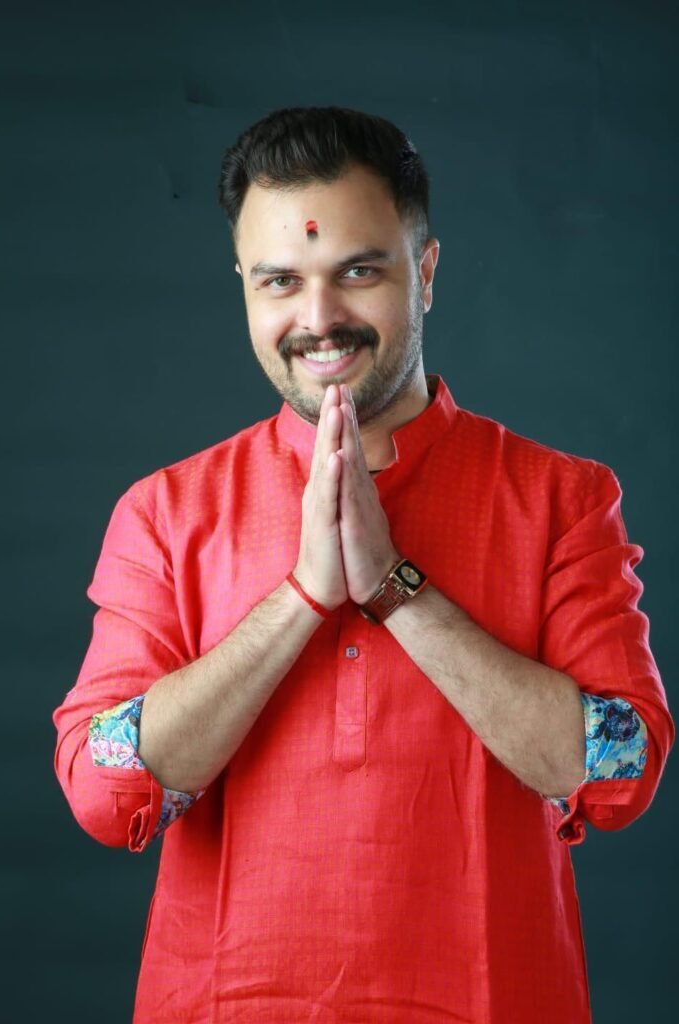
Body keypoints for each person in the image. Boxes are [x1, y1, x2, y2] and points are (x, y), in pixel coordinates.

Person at [53, 106, 673, 1023]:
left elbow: (620, 773)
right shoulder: (166, 512)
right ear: (244, 288)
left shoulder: (561, 498)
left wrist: (396, 588)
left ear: (425, 272)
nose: (318, 320)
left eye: (358, 271)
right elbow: (105, 793)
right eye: (280, 281)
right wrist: (301, 597)